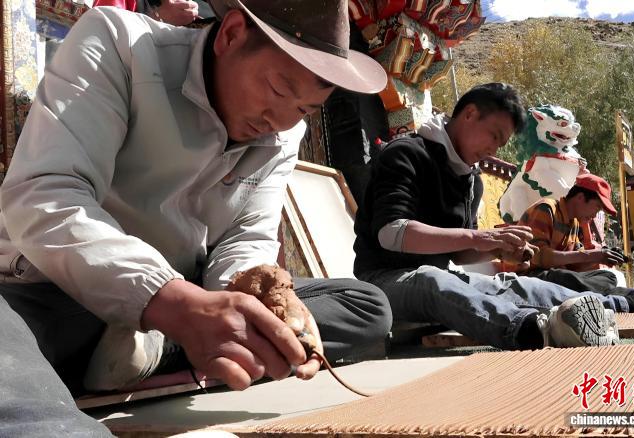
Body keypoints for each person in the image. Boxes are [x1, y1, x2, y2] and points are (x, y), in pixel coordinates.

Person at [0, 0, 392, 435]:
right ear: (232, 34)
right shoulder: (120, 43)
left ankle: (159, 344)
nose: (280, 121)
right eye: (280, 90)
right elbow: (47, 196)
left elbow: (247, 236)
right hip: (55, 290)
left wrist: (253, 296)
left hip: (185, 294)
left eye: (304, 110)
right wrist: (175, 305)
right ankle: (149, 350)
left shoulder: (284, 134)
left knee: (365, 304)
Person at [353, 83, 634, 354]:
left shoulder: (470, 180)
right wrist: (480, 238)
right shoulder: (407, 154)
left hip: (437, 276)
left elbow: (459, 254)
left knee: (513, 283)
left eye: (502, 143)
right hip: (383, 282)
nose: (494, 150)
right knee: (432, 280)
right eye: (494, 136)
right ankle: (538, 330)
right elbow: (392, 233)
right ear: (470, 114)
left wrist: (498, 249)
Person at [512, 173, 634, 311]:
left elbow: (575, 265)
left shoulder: (575, 223)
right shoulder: (546, 209)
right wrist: (592, 255)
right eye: (597, 207)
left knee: (607, 278)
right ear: (580, 197)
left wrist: (602, 257)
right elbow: (539, 257)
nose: (595, 215)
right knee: (565, 278)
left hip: (557, 277)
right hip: (529, 278)